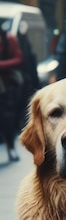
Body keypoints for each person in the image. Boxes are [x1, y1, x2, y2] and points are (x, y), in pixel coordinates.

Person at [0, 26, 24, 162]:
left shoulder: (9, 38)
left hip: (7, 85)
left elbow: (19, 59)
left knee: (7, 119)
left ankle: (11, 147)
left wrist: (1, 65)